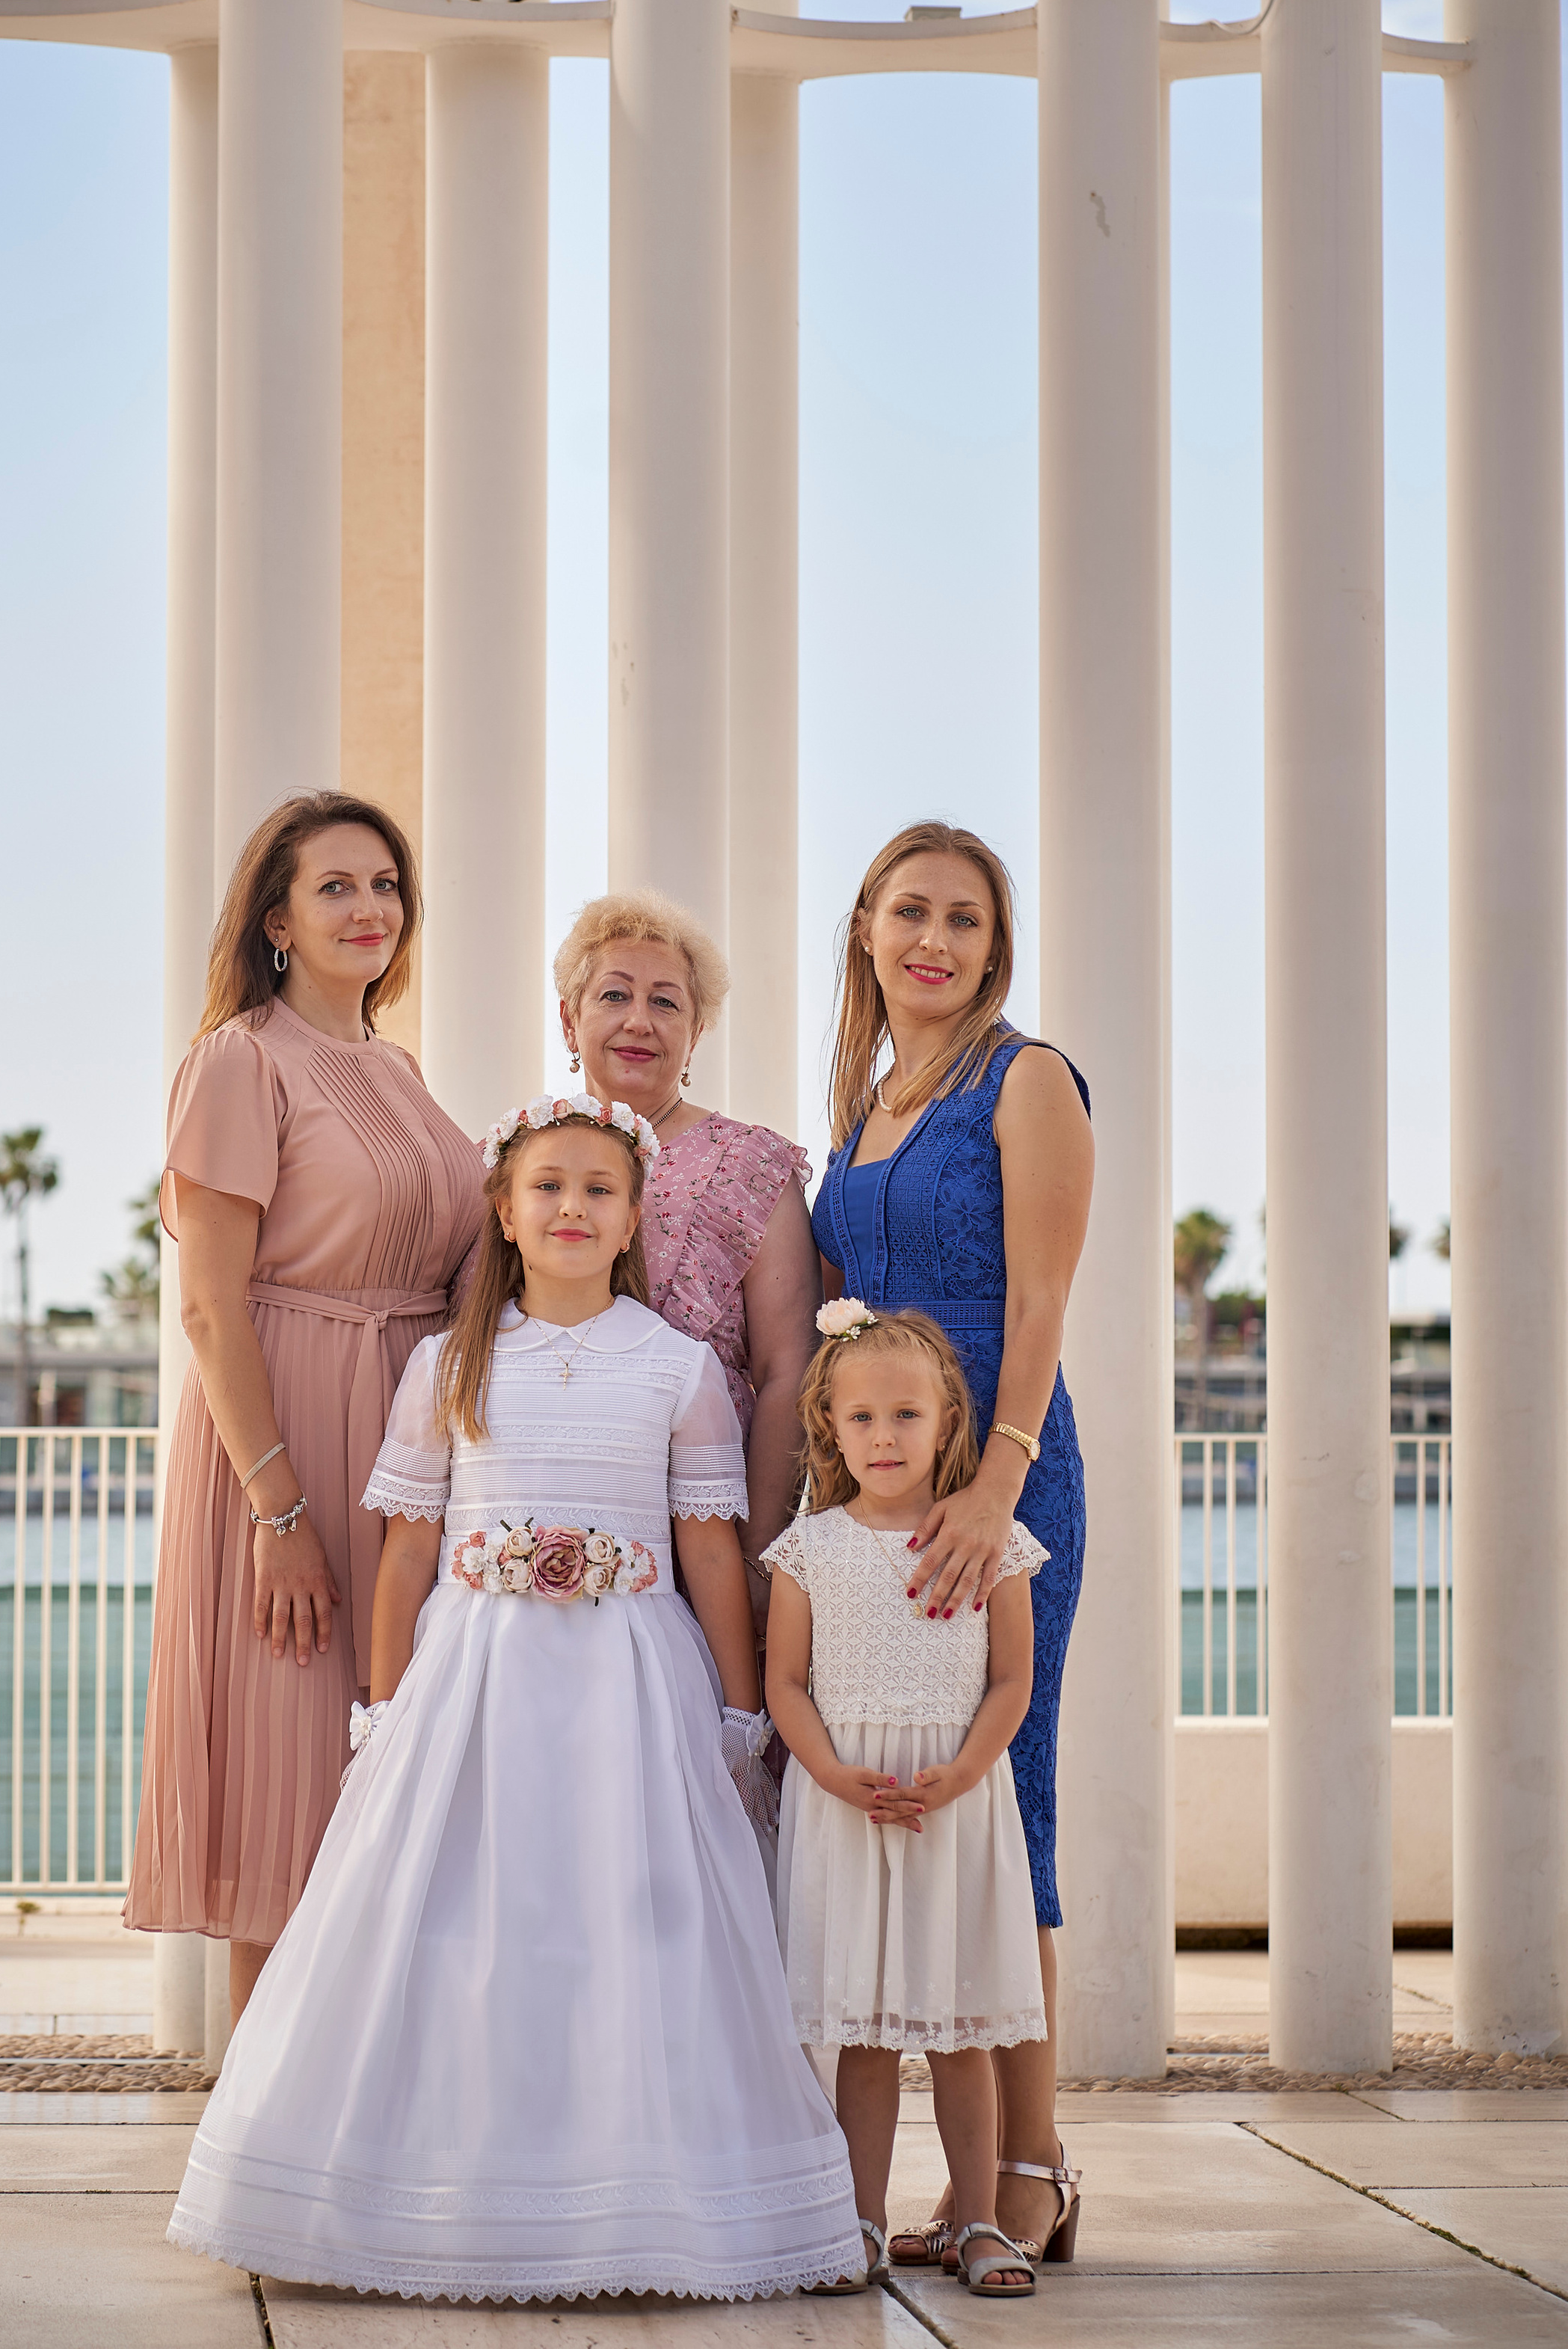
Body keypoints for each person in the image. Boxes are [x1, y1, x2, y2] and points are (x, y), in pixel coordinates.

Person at [166, 1092, 867, 2303]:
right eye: (547, 1186)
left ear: (636, 1214)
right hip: (474, 1679)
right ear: (502, 1208)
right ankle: (439, 2195)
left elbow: (709, 1550)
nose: (572, 1208)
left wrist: (740, 1715)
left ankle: (636, 2203)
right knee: (465, 1921)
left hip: (631, 1683)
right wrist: (381, 1710)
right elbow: (404, 1549)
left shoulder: (681, 1370)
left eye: (600, 1189)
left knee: (628, 1921)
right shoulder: (449, 1363)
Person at [124, 792, 485, 2027]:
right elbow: (214, 1310)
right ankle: (260, 2145)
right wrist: (277, 1510)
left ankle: (368, 2130)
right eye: (335, 886)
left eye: (384, 884)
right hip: (286, 1444)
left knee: (393, 1778)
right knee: (296, 1783)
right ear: (277, 917)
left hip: (408, 1442)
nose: (368, 908)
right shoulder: (241, 1060)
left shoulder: (396, 1065)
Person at [812, 821, 1092, 2268]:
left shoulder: (1025, 1078)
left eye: (965, 919)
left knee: (1004, 1818)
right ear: (865, 927)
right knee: (898, 1824)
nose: (935, 938)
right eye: (910, 911)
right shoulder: (863, 1103)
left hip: (998, 1484)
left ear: (995, 946)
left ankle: (1032, 2171)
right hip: (873, 1504)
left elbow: (1041, 1302)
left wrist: (997, 1487)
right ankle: (944, 2181)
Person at [763, 1302, 1057, 2300]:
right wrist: (832, 1773)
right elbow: (785, 1687)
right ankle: (859, 2222)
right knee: (867, 2040)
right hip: (851, 1810)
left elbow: (1013, 1680)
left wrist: (970, 1768)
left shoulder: (994, 1543)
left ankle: (978, 2220)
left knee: (963, 2032)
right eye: (862, 1419)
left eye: (906, 1417)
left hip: (953, 1810)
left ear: (948, 1424)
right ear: (830, 1427)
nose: (884, 1438)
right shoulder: (809, 1550)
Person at [554, 889, 819, 1597]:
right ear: (569, 1018)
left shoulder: (753, 1165)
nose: (639, 1020)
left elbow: (789, 1368)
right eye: (614, 995)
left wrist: (758, 1559)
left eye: (667, 1002)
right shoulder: (521, 1163)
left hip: (706, 1535)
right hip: (543, 1520)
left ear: (696, 1031)